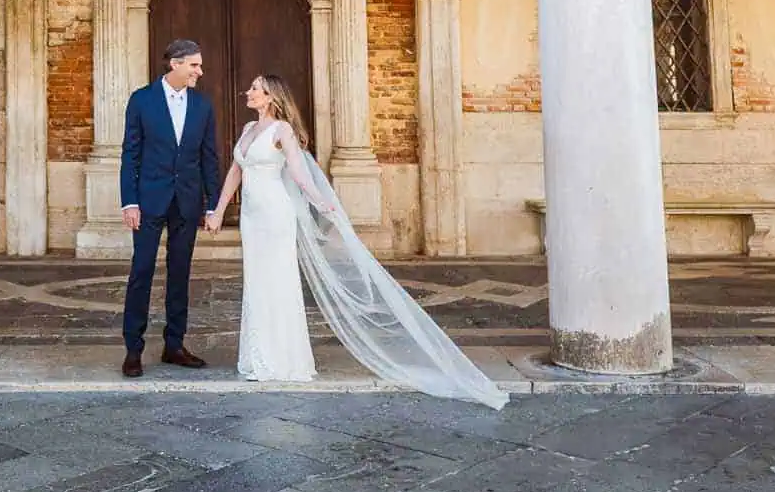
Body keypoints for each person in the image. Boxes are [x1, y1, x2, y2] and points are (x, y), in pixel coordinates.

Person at [205, 73, 508, 408]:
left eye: (255, 89)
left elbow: (298, 172)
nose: (247, 92)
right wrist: (218, 211)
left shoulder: (283, 131)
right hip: (252, 218)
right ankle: (257, 356)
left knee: (278, 282)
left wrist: (321, 201)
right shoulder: (249, 130)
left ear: (271, 97)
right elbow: (236, 171)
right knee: (257, 283)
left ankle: (284, 360)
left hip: (276, 215)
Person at [118, 38, 221, 378]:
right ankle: (133, 349)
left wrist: (213, 205)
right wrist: (129, 201)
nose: (200, 71)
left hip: (187, 202)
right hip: (148, 202)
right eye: (194, 65)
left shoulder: (203, 106)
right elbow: (130, 154)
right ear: (175, 64)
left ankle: (174, 345)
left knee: (180, 275)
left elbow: (210, 159)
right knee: (142, 271)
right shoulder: (141, 100)